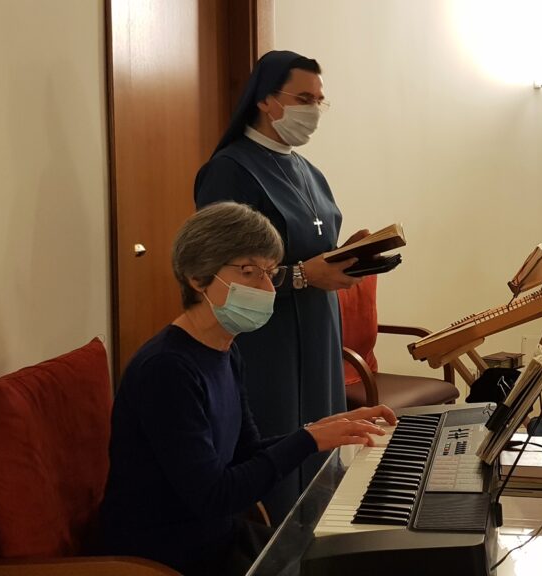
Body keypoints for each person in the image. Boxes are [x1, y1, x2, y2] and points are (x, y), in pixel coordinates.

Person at [99, 202, 396, 575]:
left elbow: (246, 453)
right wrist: (308, 440)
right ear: (197, 277)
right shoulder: (167, 369)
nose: (267, 287)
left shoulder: (225, 350)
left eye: (270, 272)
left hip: (216, 538)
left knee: (351, 561)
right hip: (162, 558)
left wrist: (324, 429)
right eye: (249, 271)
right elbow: (215, 496)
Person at [193, 50, 368, 520]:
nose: (314, 109)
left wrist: (349, 257)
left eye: (319, 100)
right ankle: (274, 545)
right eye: (303, 98)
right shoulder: (231, 170)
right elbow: (220, 271)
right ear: (266, 100)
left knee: (323, 448)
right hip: (266, 339)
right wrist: (303, 275)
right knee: (277, 449)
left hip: (319, 330)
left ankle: (319, 540)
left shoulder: (310, 172)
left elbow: (316, 248)